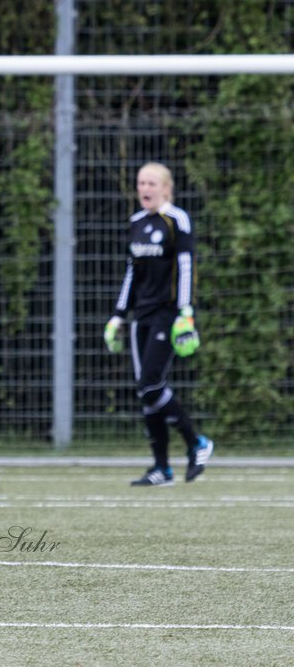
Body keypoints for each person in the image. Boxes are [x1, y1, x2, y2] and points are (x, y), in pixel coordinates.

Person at [104, 161, 214, 486]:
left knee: (151, 384)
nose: (145, 189)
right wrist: (118, 315)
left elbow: (186, 267)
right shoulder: (136, 222)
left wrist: (186, 313)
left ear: (166, 188)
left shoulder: (177, 220)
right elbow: (132, 273)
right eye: (141, 183)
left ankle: (197, 443)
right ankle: (162, 469)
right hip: (142, 315)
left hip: (168, 314)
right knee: (146, 392)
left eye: (152, 183)